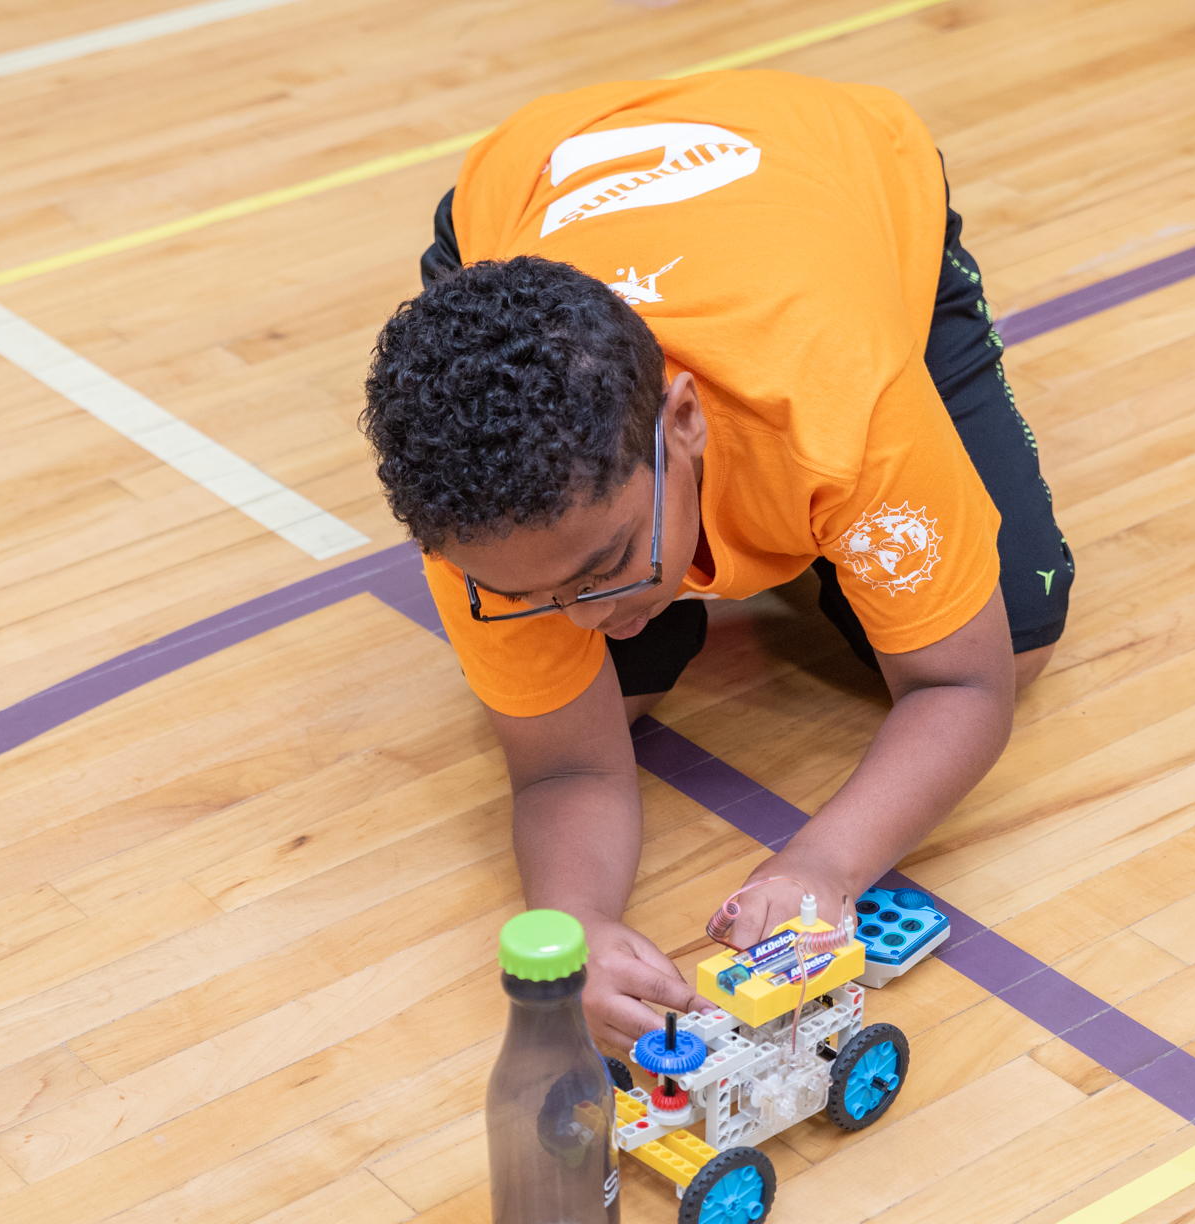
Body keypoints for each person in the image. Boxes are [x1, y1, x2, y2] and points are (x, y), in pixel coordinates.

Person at [362, 70, 1073, 1049]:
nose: (578, 617)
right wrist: (574, 929)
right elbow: (566, 769)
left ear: (684, 421)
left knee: (1017, 631)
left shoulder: (846, 395)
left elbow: (964, 685)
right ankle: (745, 547)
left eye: (607, 563)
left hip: (836, 166)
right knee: (602, 699)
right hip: (535, 172)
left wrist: (824, 863)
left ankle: (824, 526)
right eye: (534, 593)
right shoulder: (481, 517)